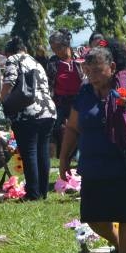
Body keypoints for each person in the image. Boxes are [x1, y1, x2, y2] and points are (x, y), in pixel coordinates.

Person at [58, 43, 126, 253]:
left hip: (125, 162)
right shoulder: (85, 92)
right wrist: (64, 158)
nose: (91, 76)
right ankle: (120, 246)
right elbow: (72, 127)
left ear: (111, 67)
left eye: (97, 71)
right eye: (87, 71)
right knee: (94, 218)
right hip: (93, 163)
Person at [1, 36, 57, 200]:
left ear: (9, 51)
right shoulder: (36, 61)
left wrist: (2, 102)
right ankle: (43, 191)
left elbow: (9, 83)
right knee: (42, 151)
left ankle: (33, 193)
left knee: (29, 151)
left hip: (28, 112)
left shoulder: (13, 59)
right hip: (48, 110)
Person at [45, 30, 84, 158]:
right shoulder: (53, 62)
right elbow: (49, 84)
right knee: (58, 128)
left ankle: (79, 154)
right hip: (61, 101)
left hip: (80, 100)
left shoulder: (79, 58)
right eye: (53, 48)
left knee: (81, 127)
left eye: (58, 47)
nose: (56, 51)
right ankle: (64, 155)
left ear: (66, 44)